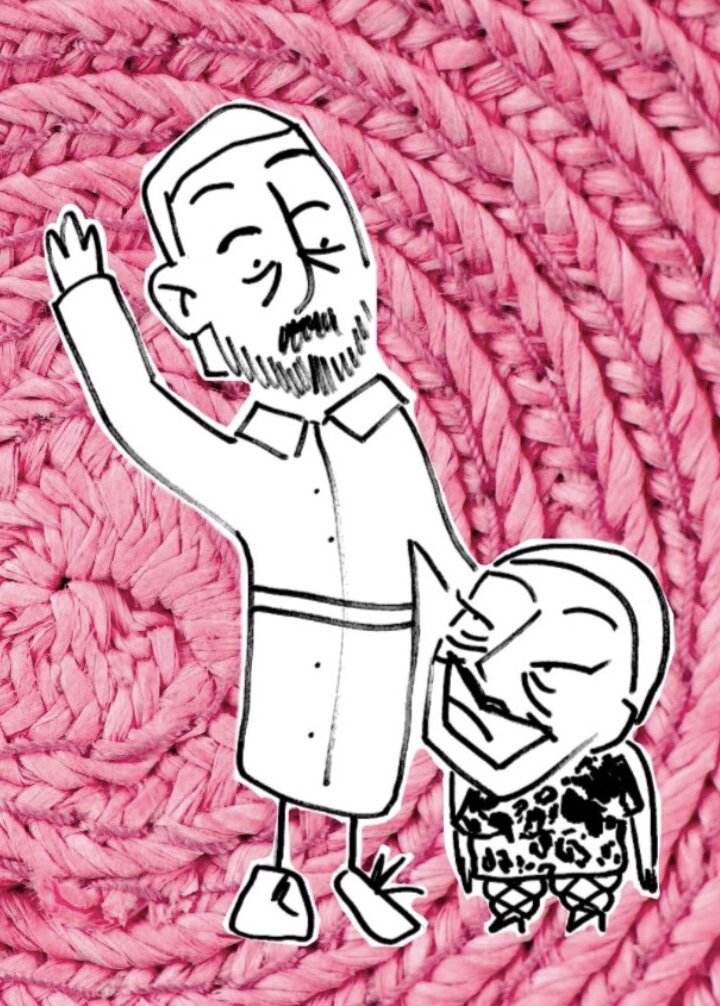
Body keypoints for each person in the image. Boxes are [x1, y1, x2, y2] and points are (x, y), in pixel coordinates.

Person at [44, 102, 477, 946]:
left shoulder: (386, 429)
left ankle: (353, 873)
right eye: (254, 266)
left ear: (363, 253)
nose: (305, 283)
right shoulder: (256, 469)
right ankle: (279, 878)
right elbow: (145, 417)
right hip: (294, 637)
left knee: (360, 769)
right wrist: (91, 302)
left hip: (385, 637)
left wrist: (465, 594)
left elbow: (429, 530)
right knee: (292, 761)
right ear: (188, 305)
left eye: (323, 243)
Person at [424, 541, 672, 933]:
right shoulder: (474, 759)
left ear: (627, 707)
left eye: (548, 673)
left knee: (588, 892)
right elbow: (458, 807)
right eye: (477, 655)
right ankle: (515, 909)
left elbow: (640, 811)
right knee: (513, 894)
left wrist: (646, 865)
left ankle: (587, 908)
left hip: (590, 859)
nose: (499, 693)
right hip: (508, 863)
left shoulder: (613, 761)